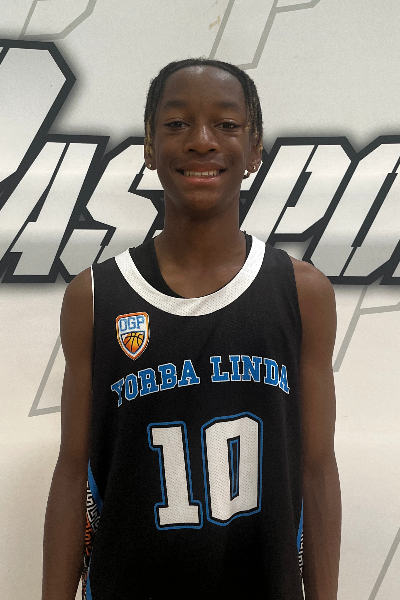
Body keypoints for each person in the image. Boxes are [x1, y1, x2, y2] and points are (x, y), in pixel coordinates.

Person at [42, 58, 341, 600]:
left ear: (254, 149)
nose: (202, 141)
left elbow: (317, 470)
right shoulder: (95, 296)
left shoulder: (303, 293)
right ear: (150, 147)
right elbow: (72, 471)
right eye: (177, 124)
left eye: (226, 124)